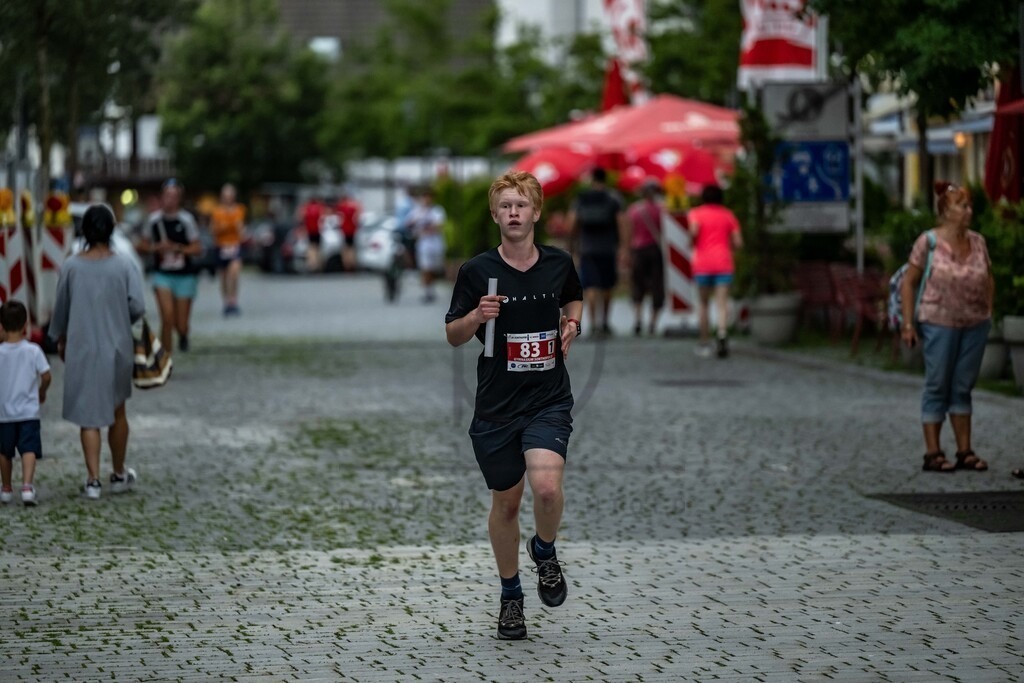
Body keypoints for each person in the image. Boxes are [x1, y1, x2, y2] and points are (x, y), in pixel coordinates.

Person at [445, 170, 583, 641]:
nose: (514, 213)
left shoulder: (559, 263)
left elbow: (574, 298)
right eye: (505, 206)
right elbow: (453, 335)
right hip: (497, 407)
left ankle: (544, 550)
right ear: (495, 215)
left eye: (521, 205)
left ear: (536, 212)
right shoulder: (476, 271)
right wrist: (476, 315)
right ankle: (511, 597)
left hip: (548, 399)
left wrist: (572, 325)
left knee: (546, 488)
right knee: (506, 504)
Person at [48, 204, 146, 500]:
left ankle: (92, 480)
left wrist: (60, 338)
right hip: (117, 345)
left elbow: (61, 308)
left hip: (82, 346)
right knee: (118, 410)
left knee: (88, 416)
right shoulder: (124, 265)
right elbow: (137, 306)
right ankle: (118, 473)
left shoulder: (71, 266)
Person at [900, 182, 994, 473]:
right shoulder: (928, 242)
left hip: (975, 323)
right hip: (937, 321)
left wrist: (989, 310)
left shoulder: (978, 242)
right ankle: (933, 452)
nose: (969, 211)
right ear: (945, 211)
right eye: (962, 206)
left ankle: (965, 451)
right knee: (938, 383)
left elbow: (989, 277)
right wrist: (908, 323)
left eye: (969, 206)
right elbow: (909, 283)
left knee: (963, 386)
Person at [139, 179, 202, 353]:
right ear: (162, 197)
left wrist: (179, 249)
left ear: (179, 199)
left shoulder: (186, 220)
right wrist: (156, 248)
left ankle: (183, 334)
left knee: (180, 324)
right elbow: (141, 245)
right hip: (163, 274)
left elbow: (197, 248)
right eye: (167, 195)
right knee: (167, 317)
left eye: (174, 196)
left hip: (184, 275)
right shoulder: (153, 220)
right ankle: (165, 357)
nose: (170, 200)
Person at [0, 300, 51, 506]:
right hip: (29, 412)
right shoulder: (33, 351)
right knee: (28, 449)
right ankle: (27, 486)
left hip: (3, 413)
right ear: (25, 325)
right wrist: (41, 390)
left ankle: (6, 488)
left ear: (1, 325)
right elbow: (46, 375)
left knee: (4, 452)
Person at [568, 167, 629, 336]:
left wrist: (571, 245)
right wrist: (624, 247)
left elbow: (572, 224)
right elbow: (622, 223)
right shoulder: (613, 198)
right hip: (608, 249)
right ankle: (605, 322)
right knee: (607, 285)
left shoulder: (582, 198)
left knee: (590, 286)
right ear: (605, 179)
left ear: (592, 179)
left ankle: (593, 323)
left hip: (587, 249)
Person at [688, 185, 743, 358]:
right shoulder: (728, 215)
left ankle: (704, 342)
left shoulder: (696, 214)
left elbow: (694, 232)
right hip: (723, 262)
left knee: (703, 303)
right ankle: (722, 333)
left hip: (702, 264)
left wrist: (692, 243)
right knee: (722, 303)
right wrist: (730, 248)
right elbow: (738, 242)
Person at [626, 179, 666, 336]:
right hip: (656, 250)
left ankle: (638, 319)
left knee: (638, 285)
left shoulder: (634, 210)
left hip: (638, 250)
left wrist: (627, 252)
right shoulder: (662, 210)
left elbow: (629, 232)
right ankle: (652, 323)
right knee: (657, 285)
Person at [210, 183, 246, 316]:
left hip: (234, 246)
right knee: (224, 276)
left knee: (234, 273)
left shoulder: (239, 209)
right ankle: (226, 301)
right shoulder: (217, 212)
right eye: (225, 195)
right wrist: (224, 227)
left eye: (230, 195)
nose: (228, 198)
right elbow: (213, 229)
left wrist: (233, 228)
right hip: (221, 246)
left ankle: (233, 301)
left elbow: (240, 228)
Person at [406, 188, 447, 303]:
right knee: (425, 268)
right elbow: (408, 223)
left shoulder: (437, 210)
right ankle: (427, 291)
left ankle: (430, 288)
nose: (427, 199)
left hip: (436, 244)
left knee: (434, 268)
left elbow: (438, 225)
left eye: (429, 197)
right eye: (425, 197)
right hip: (423, 245)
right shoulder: (417, 211)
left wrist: (427, 228)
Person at [335, 188, 361, 272]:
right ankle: (351, 263)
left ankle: (346, 264)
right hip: (352, 229)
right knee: (351, 247)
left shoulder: (341, 206)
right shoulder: (355, 206)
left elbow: (338, 217)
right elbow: (358, 217)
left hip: (345, 229)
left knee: (346, 247)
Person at [299, 194, 326, 272]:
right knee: (318, 248)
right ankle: (318, 264)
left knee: (311, 247)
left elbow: (300, 217)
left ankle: (312, 264)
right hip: (318, 230)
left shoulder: (306, 207)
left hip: (309, 230)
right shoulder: (320, 207)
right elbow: (323, 218)